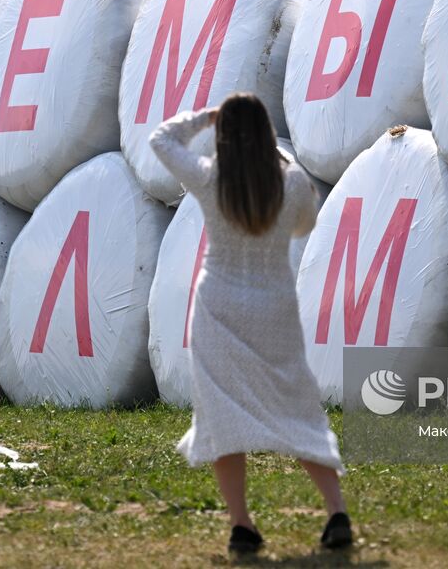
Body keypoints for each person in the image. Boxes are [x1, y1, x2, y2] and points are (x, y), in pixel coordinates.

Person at [149, 94, 351, 557]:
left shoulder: (209, 178)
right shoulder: (293, 182)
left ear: (223, 135)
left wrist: (204, 118)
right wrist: (282, 157)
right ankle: (336, 511)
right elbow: (305, 225)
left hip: (218, 303)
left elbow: (161, 139)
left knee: (222, 414)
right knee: (296, 405)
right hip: (273, 303)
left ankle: (242, 525)